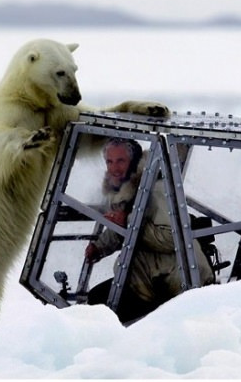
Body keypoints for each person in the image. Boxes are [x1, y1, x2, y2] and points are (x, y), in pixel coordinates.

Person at [85, 137, 214, 323]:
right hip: (148, 274)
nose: (114, 168)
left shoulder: (157, 189)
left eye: (121, 160)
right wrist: (99, 247)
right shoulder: (128, 189)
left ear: (135, 162)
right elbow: (125, 226)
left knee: (104, 309)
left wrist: (128, 223)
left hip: (176, 281)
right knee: (97, 299)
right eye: (109, 161)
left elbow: (172, 238)